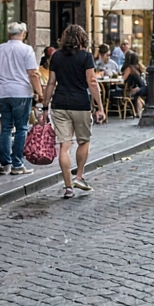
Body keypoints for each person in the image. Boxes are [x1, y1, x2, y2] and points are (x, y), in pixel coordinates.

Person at [43, 24, 105, 198]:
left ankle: (68, 187)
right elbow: (92, 81)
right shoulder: (86, 57)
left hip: (59, 103)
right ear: (83, 39)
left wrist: (44, 106)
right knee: (83, 141)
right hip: (80, 104)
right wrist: (100, 106)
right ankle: (78, 176)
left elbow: (51, 83)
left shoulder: (56, 56)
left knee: (64, 145)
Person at [0, 22, 42, 176]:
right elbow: (33, 73)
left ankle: (5, 164)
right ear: (23, 33)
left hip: (3, 92)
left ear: (9, 34)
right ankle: (17, 164)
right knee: (21, 128)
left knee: (5, 127)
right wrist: (39, 92)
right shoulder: (27, 49)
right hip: (21, 92)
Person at [120, 50, 147, 116]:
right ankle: (139, 111)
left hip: (134, 88)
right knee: (139, 94)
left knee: (137, 94)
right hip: (141, 87)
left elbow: (123, 79)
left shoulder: (130, 68)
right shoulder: (138, 67)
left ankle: (138, 110)